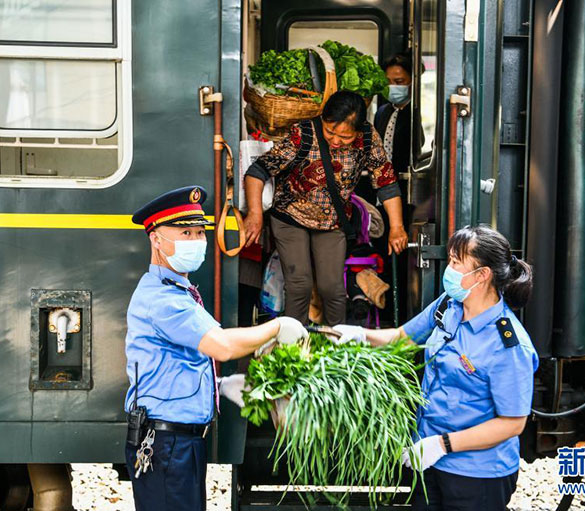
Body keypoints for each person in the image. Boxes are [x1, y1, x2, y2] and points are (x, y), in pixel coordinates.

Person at [124, 185, 308, 511]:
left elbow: (180, 361)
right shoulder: (163, 299)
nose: (196, 241)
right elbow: (221, 347)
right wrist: (278, 327)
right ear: (156, 238)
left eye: (199, 233)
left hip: (179, 442)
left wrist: (220, 386)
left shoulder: (177, 291)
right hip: (167, 444)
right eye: (185, 233)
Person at [333, 225, 539, 511]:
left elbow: (512, 423)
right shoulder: (449, 305)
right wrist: (360, 335)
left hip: (476, 475)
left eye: (456, 262)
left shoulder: (508, 345)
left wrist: (442, 445)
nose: (449, 268)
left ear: (482, 275)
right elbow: (402, 337)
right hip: (428, 460)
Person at [243, 91, 409, 326]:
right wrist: (255, 214)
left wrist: (397, 227)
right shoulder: (303, 133)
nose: (335, 140)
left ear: (358, 130)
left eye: (345, 136)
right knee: (299, 283)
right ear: (323, 119)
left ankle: (335, 347)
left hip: (332, 221)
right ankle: (295, 348)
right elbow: (258, 171)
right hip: (290, 216)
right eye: (330, 131)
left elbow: (386, 182)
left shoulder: (368, 138)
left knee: (332, 288)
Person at [375, 52, 425, 177]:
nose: (393, 87)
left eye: (399, 82)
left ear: (413, 81)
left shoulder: (418, 112)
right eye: (388, 82)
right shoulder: (382, 112)